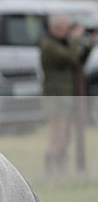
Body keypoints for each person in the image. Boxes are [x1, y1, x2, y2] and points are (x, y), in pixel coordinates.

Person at [40, 13, 93, 173]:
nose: (69, 32)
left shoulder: (63, 44)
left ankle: (60, 168)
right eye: (66, 29)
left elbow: (77, 62)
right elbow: (70, 57)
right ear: (56, 28)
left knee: (65, 136)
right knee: (56, 135)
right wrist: (76, 39)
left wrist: (89, 44)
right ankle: (52, 169)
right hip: (55, 97)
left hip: (66, 97)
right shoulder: (49, 45)